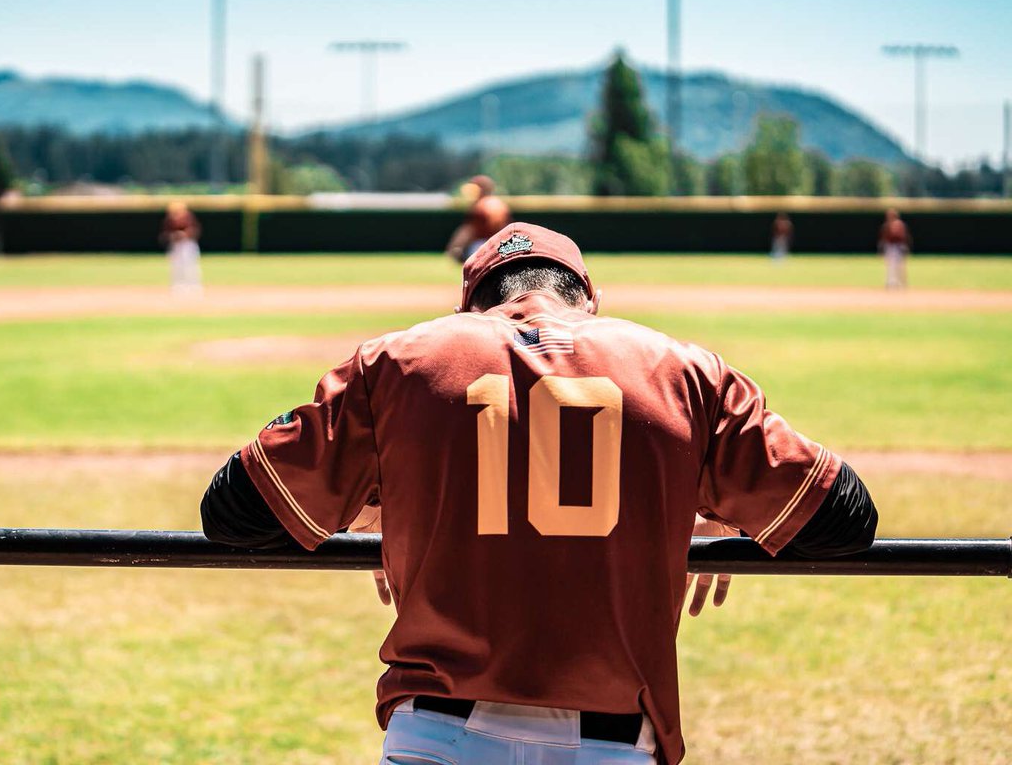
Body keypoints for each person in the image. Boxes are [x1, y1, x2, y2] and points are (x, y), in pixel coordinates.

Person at [200, 223, 877, 764]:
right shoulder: (683, 369)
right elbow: (845, 518)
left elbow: (233, 512)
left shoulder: (403, 360)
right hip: (610, 741)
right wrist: (709, 514)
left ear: (472, 306)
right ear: (589, 300)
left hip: (438, 736)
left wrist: (385, 497)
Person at [446, 175, 512, 263]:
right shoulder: (500, 204)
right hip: (502, 245)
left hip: (481, 246)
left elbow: (468, 231)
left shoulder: (480, 206)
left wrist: (456, 247)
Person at [160, 201, 202, 294]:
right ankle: (177, 286)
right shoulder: (169, 219)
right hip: (176, 245)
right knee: (176, 266)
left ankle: (194, 286)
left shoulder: (188, 217)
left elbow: (194, 230)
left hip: (188, 244)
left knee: (191, 266)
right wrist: (173, 236)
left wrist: (184, 234)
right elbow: (165, 234)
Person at [878, 208, 911, 289]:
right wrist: (882, 247)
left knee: (900, 266)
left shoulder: (899, 224)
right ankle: (891, 283)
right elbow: (884, 238)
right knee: (890, 266)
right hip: (890, 247)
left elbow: (904, 236)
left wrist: (905, 246)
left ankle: (901, 283)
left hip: (898, 246)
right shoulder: (887, 225)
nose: (889, 216)